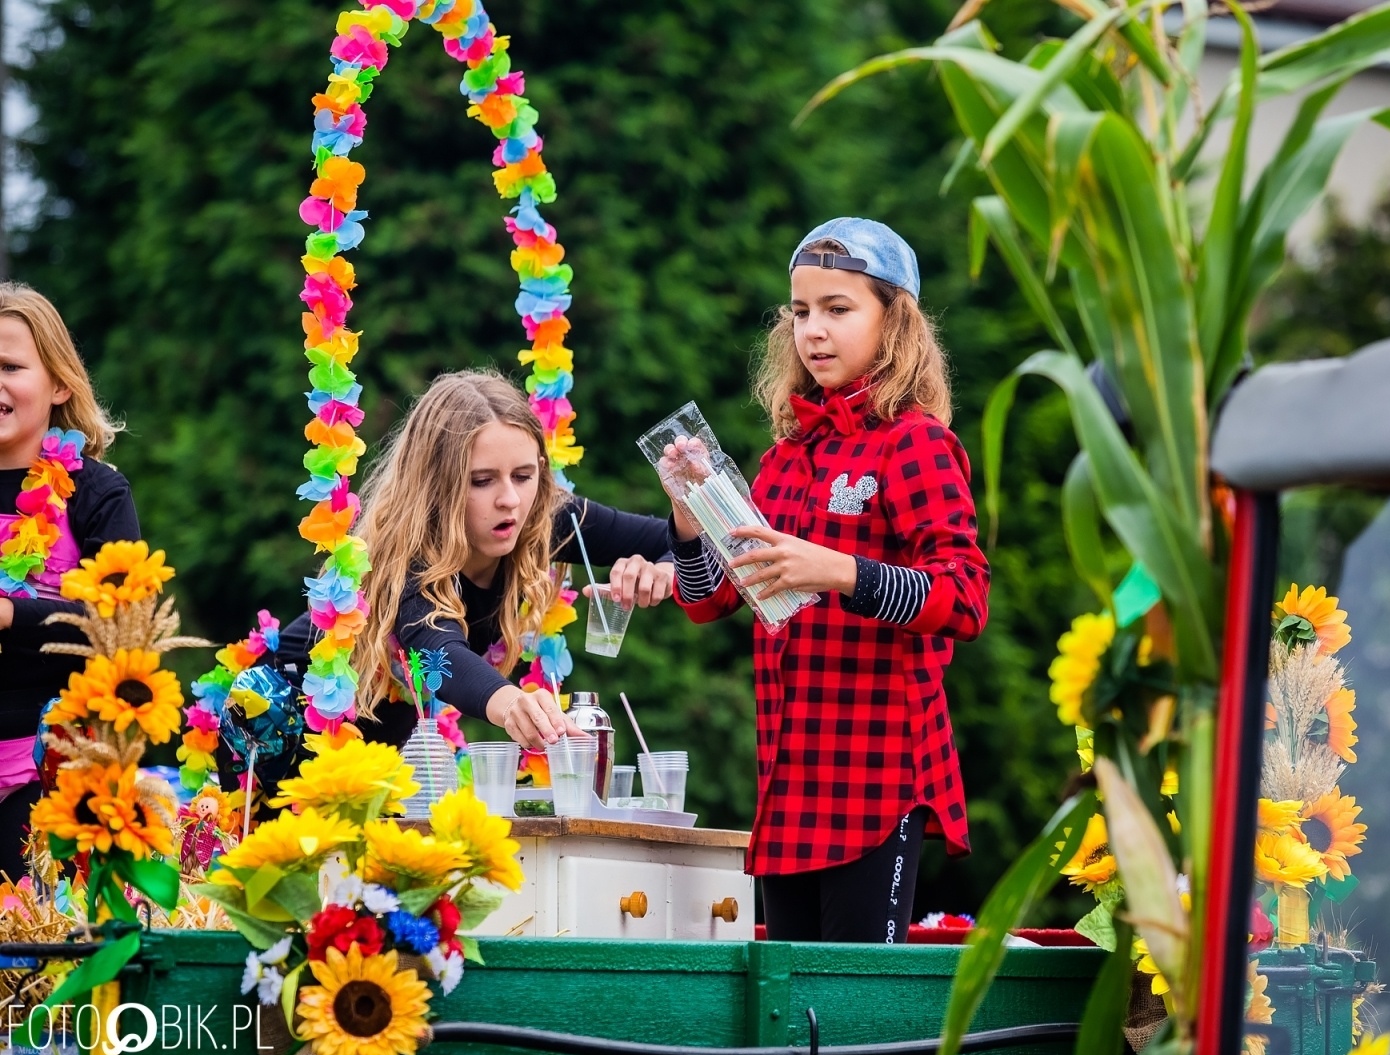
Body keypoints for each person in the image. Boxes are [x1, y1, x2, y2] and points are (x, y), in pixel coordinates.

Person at [660, 218, 990, 943]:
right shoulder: (783, 459)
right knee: (792, 1014)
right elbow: (708, 598)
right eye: (801, 311)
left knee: (853, 1016)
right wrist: (690, 516)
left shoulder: (915, 443)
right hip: (789, 793)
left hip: (878, 787)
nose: (815, 331)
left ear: (894, 320)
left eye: (839, 309)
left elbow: (964, 598)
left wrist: (838, 572)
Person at [261, 369, 672, 774]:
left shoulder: (544, 516)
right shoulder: (405, 556)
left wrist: (664, 572)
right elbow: (440, 654)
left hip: (375, 768)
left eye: (524, 476)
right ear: (436, 486)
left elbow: (679, 543)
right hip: (273, 732)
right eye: (481, 481)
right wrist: (511, 703)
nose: (509, 499)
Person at [0, 283, 137, 880]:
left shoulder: (97, 492)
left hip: (54, 768)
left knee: (29, 953)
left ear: (59, 384)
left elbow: (123, 623)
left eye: (9, 366)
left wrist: (10, 616)